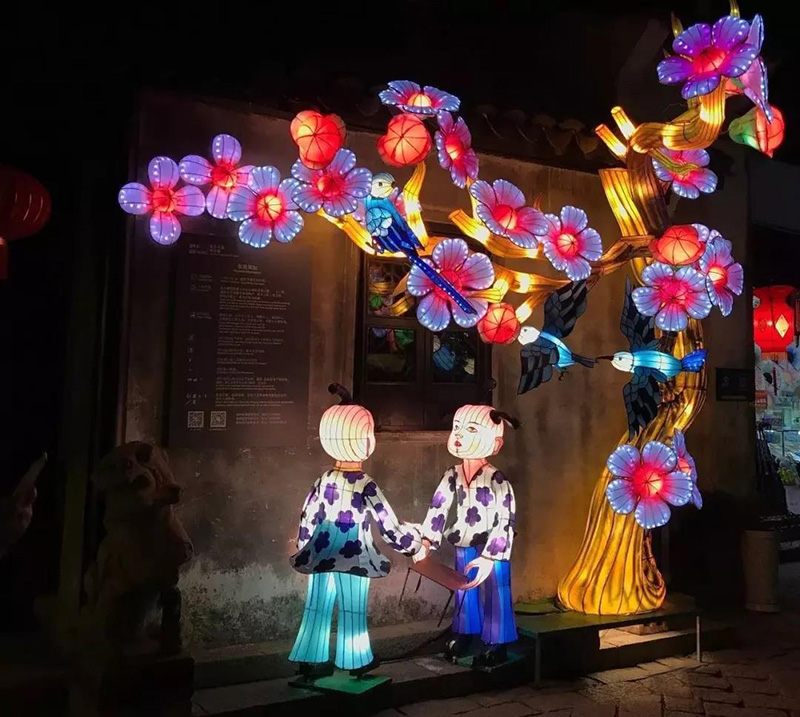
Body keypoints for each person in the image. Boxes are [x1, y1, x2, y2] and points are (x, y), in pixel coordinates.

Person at [288, 384, 422, 678]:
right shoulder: (365, 484)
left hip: (320, 549)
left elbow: (308, 515)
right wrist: (412, 544)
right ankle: (355, 660)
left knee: (317, 605)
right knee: (352, 608)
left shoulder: (324, 479)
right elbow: (387, 524)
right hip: (353, 553)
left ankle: (309, 659)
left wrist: (303, 544)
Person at [414, 404, 518, 666]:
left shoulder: (496, 479)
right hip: (463, 539)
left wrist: (491, 556)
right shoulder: (453, 474)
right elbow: (439, 506)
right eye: (457, 428)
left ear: (495, 443)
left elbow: (506, 516)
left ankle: (498, 641)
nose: (459, 435)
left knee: (497, 590)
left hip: (493, 545)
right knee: (463, 588)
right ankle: (466, 633)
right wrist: (426, 540)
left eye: (471, 429)